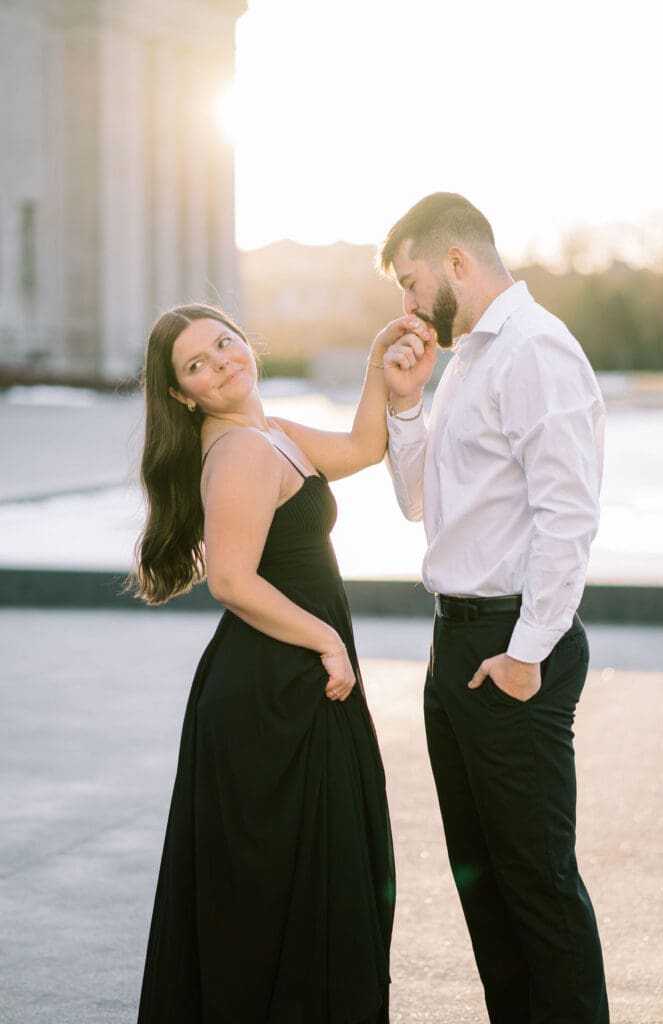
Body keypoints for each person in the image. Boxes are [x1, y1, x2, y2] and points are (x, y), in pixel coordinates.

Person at [132, 303, 428, 1023]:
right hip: (273, 692)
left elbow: (361, 448)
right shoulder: (238, 452)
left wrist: (376, 370)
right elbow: (232, 580)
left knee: (316, 879)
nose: (221, 363)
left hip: (289, 680)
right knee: (292, 889)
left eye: (224, 344)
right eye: (196, 364)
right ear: (182, 394)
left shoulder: (270, 433)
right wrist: (326, 639)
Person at [374, 193, 609, 1023]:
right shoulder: (469, 359)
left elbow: (566, 516)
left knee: (536, 888)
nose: (405, 306)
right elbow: (420, 505)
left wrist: (525, 652)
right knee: (487, 891)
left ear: (455, 263)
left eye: (409, 283)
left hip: (512, 647)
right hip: (456, 647)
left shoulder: (535, 350)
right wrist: (406, 403)